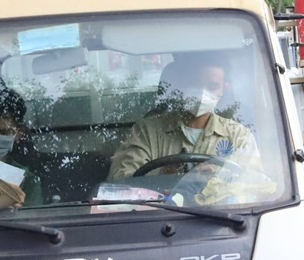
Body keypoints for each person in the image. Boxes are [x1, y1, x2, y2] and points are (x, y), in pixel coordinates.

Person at [107, 53, 259, 181]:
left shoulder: (238, 136)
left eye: (212, 86)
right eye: (195, 84)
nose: (201, 94)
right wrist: (162, 174)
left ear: (224, 89)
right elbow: (119, 180)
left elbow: (258, 186)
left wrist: (220, 177)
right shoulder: (147, 131)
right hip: (159, 215)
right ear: (180, 84)